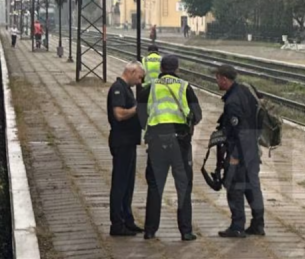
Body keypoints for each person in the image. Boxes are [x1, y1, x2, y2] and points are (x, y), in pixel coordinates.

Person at [140, 55, 202, 241]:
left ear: (160, 68)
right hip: (180, 143)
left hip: (156, 142)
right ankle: (186, 231)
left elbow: (141, 117)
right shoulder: (185, 87)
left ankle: (150, 231)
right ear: (177, 68)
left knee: (155, 187)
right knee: (183, 187)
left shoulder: (149, 89)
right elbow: (197, 115)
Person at [214, 65, 265, 238]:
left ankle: (237, 226)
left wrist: (235, 156)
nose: (217, 82)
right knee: (252, 187)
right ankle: (258, 224)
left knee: (235, 187)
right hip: (253, 148)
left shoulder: (233, 101)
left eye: (217, 78)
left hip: (241, 150)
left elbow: (239, 131)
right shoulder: (246, 89)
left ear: (224, 79)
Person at [107, 62, 146, 237]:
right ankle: (117, 224)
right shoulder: (118, 88)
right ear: (130, 72)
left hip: (129, 141)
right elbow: (119, 114)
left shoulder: (126, 88)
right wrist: (137, 109)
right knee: (120, 184)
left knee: (128, 184)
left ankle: (127, 219)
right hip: (121, 141)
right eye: (139, 77)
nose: (140, 81)